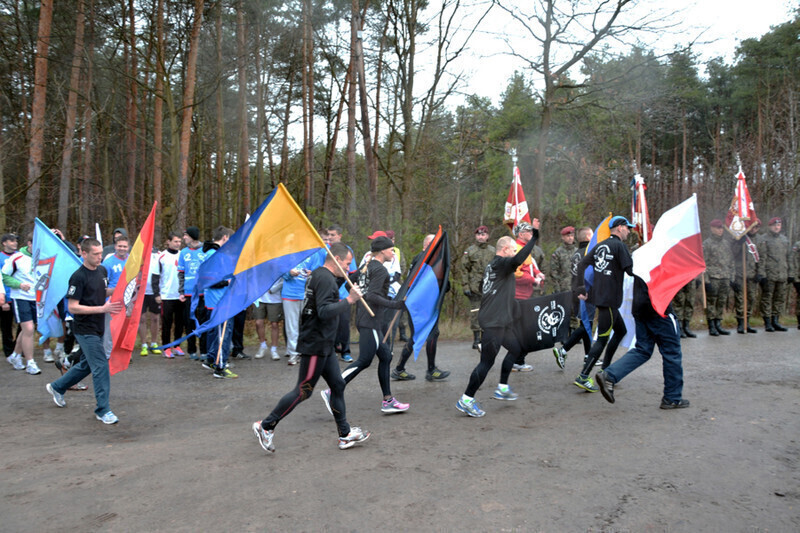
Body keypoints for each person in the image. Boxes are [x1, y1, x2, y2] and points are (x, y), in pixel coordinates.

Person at [252, 242, 369, 452]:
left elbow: (339, 284)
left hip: (325, 343)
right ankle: (266, 426)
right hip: (315, 343)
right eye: (347, 263)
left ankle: (344, 434)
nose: (348, 267)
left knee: (338, 385)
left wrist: (357, 276)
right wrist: (349, 300)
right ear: (337, 260)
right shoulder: (324, 278)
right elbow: (324, 311)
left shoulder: (322, 275)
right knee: (304, 390)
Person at [456, 220, 540, 418]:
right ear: (505, 250)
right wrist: (534, 237)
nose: (515, 252)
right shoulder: (501, 264)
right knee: (486, 363)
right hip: (494, 322)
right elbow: (518, 259)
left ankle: (502, 387)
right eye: (513, 249)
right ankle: (466, 399)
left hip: (501, 320)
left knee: (517, 348)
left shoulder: (495, 266)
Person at [45, 238, 125, 424]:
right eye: (95, 254)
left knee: (87, 365)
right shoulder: (78, 277)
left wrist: (121, 290)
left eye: (101, 253)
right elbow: (73, 307)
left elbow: (101, 291)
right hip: (84, 329)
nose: (99, 257)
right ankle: (103, 410)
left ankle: (57, 387)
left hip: (99, 326)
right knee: (101, 365)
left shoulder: (102, 270)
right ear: (84, 254)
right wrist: (102, 309)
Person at [335, 235, 410, 413]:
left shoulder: (366, 267)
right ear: (382, 251)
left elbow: (349, 285)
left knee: (386, 357)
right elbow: (373, 296)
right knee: (364, 360)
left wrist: (360, 295)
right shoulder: (380, 270)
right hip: (370, 320)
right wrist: (395, 304)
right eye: (391, 250)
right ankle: (333, 389)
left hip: (366, 318)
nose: (393, 253)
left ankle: (388, 400)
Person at [595, 275, 690, 409]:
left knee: (642, 350)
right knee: (672, 353)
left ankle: (610, 375)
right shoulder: (660, 263)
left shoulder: (640, 263)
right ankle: (672, 398)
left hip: (640, 306)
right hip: (659, 307)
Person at [572, 216, 635, 392]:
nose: (629, 231)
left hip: (600, 297)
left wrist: (581, 287)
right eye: (627, 228)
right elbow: (631, 271)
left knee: (621, 331)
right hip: (609, 300)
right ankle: (583, 376)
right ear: (619, 228)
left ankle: (606, 369)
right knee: (602, 339)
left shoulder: (601, 245)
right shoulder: (620, 246)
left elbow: (582, 264)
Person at [390, 233, 451, 382]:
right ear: (427, 245)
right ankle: (428, 370)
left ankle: (402, 369)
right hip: (419, 305)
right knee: (425, 335)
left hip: (424, 304)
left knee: (427, 335)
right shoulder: (423, 260)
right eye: (435, 244)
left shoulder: (426, 259)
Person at [552, 226, 594, 369]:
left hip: (576, 290)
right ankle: (563, 350)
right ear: (588, 237)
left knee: (585, 324)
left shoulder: (576, 253)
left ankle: (588, 355)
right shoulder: (588, 253)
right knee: (585, 324)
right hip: (585, 292)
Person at [281, 233, 326, 365]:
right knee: (292, 326)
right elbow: (282, 273)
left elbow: (319, 270)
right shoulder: (287, 255)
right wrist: (289, 273)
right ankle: (293, 353)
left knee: (308, 324)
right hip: (290, 294)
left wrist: (312, 273)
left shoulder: (314, 253)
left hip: (307, 294)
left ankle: (307, 351)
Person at [200, 226, 237, 378]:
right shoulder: (214, 255)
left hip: (216, 300)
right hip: (219, 301)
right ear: (225, 238)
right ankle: (220, 367)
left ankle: (211, 359)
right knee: (223, 334)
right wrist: (227, 282)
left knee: (216, 333)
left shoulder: (212, 254)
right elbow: (209, 280)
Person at [2, 234, 41, 374]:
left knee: (27, 330)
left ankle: (15, 355)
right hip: (20, 297)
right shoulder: (17, 258)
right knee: (29, 329)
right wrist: (19, 284)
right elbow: (4, 276)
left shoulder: (42, 257)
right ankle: (30, 363)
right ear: (29, 243)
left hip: (36, 298)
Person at [510, 221, 545, 372]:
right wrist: (533, 280)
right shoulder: (517, 249)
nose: (531, 234)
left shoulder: (525, 248)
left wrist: (538, 273)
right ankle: (516, 361)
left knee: (524, 330)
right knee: (523, 331)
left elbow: (529, 266)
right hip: (518, 295)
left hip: (525, 294)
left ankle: (517, 361)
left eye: (532, 231)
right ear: (521, 234)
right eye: (528, 231)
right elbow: (516, 273)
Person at [460, 225, 495, 350]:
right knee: (476, 312)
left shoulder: (493, 251)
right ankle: (476, 339)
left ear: (487, 236)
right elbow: (464, 270)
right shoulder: (470, 251)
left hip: (489, 287)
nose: (481, 237)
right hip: (474, 288)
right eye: (479, 234)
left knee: (488, 313)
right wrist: (465, 286)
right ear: (475, 236)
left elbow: (497, 269)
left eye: (483, 234)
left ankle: (485, 338)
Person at [327, 224, 356, 363]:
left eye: (332, 235)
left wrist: (350, 289)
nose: (330, 237)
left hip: (343, 295)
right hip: (329, 295)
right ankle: (331, 350)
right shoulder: (324, 250)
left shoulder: (347, 251)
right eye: (328, 234)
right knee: (330, 325)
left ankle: (345, 351)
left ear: (339, 235)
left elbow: (353, 272)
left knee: (344, 324)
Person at [154, 233, 185, 358]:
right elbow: (155, 276)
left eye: (180, 242)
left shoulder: (183, 255)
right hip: (166, 295)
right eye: (175, 241)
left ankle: (177, 345)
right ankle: (166, 347)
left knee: (180, 322)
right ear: (169, 241)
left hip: (181, 295)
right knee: (167, 322)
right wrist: (157, 294)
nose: (178, 244)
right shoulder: (161, 257)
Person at [758, 217, 791, 332]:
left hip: (782, 274)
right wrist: (762, 274)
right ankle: (767, 322)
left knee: (779, 298)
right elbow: (762, 258)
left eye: (778, 225)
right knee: (767, 298)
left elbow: (788, 257)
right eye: (774, 225)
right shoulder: (764, 239)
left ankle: (775, 321)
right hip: (769, 274)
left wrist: (790, 273)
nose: (777, 227)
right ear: (770, 226)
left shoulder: (784, 240)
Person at [178, 226, 206, 358]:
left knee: (203, 321)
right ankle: (192, 350)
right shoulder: (183, 253)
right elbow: (181, 274)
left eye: (186, 235)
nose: (184, 238)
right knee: (189, 321)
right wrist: (181, 291)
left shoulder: (205, 250)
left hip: (203, 293)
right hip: (189, 293)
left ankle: (204, 350)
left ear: (192, 236)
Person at [703, 219, 734, 336]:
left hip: (725, 276)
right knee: (712, 301)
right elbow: (704, 263)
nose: (720, 230)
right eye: (718, 228)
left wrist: (731, 277)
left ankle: (718, 324)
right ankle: (711, 325)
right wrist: (706, 280)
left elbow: (731, 261)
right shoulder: (707, 244)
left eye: (721, 228)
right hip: (713, 277)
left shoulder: (726, 243)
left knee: (721, 301)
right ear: (712, 229)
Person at [731, 220, 761, 334]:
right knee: (740, 299)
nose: (753, 229)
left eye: (756, 227)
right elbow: (732, 254)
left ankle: (747, 322)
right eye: (752, 227)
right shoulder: (739, 238)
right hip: (740, 273)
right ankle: (740, 323)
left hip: (752, 274)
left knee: (751, 299)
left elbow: (761, 258)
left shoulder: (760, 240)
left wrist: (759, 272)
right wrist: (739, 243)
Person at [101, 235, 129, 357]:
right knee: (110, 330)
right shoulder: (108, 263)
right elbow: (103, 286)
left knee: (125, 328)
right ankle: (107, 355)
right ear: (115, 246)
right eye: (120, 246)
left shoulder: (132, 261)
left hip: (128, 301)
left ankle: (123, 353)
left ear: (128, 247)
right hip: (112, 301)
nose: (122, 248)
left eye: (124, 246)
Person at [138, 246, 162, 356]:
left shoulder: (159, 255)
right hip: (141, 292)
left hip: (154, 292)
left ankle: (154, 343)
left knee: (155, 318)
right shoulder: (138, 253)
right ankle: (143, 344)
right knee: (142, 319)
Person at [254, 279, 283, 360]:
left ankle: (274, 349)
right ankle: (262, 345)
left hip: (275, 299)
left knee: (274, 324)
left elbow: (283, 279)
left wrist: (273, 289)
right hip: (259, 298)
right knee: (258, 322)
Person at [1, 233, 18, 360]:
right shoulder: (0, 257)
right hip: (6, 297)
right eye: (11, 241)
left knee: (24, 324)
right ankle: (9, 351)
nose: (15, 243)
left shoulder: (20, 256)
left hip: (20, 296)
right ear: (4, 243)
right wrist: (4, 300)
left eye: (16, 240)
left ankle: (18, 347)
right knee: (6, 326)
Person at [550, 226, 576, 294]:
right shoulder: (558, 253)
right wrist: (557, 289)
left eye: (572, 236)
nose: (570, 238)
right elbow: (553, 273)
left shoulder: (577, 252)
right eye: (568, 236)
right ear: (563, 237)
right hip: (563, 288)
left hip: (577, 286)